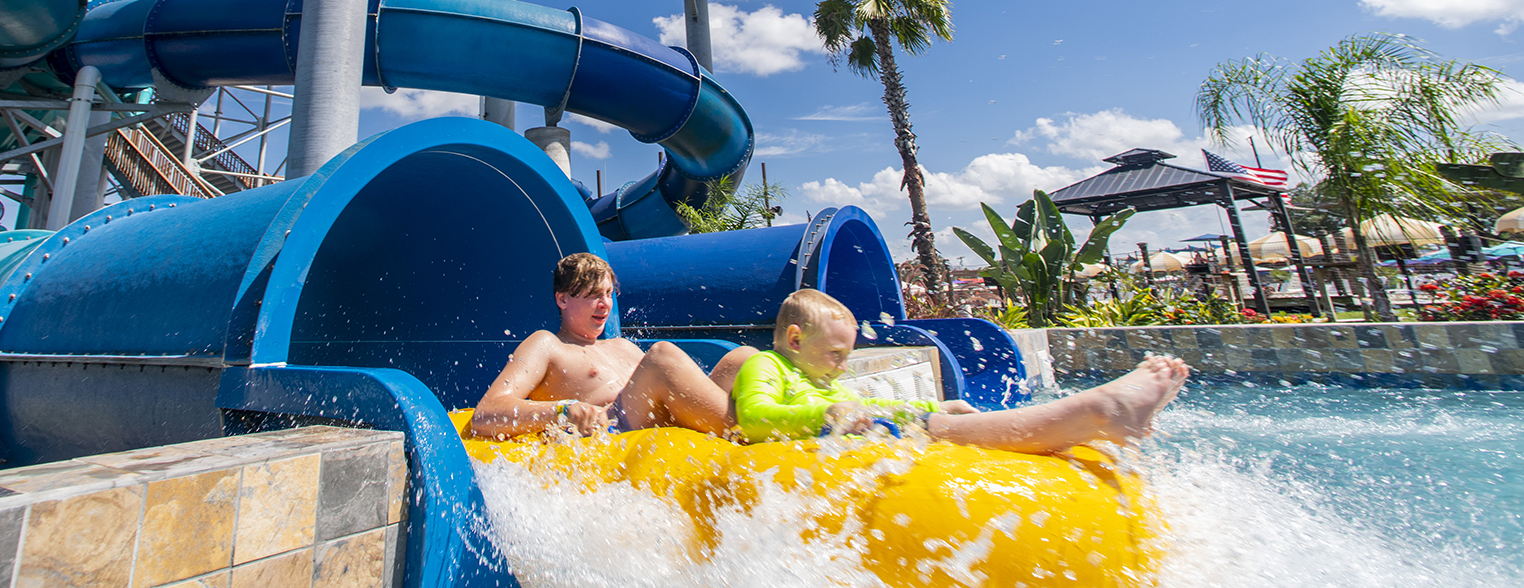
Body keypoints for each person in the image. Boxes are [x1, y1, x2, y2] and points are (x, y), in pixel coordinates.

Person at [734, 289, 1190, 453]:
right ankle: (1097, 412)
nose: (844, 363)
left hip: (873, 434)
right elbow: (752, 417)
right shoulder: (765, 364)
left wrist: (934, 402)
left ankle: (1091, 419)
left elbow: (870, 404)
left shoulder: (814, 379)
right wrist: (828, 417)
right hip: (833, 440)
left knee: (936, 420)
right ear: (795, 340)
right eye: (836, 353)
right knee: (935, 430)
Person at [470, 252, 758, 438]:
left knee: (743, 358)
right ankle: (757, 431)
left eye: (608, 293)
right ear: (562, 299)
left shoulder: (621, 346)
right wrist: (563, 410)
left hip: (664, 421)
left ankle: (782, 416)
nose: (605, 303)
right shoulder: (547, 345)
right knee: (662, 357)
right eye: (593, 294)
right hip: (612, 430)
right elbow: (487, 413)